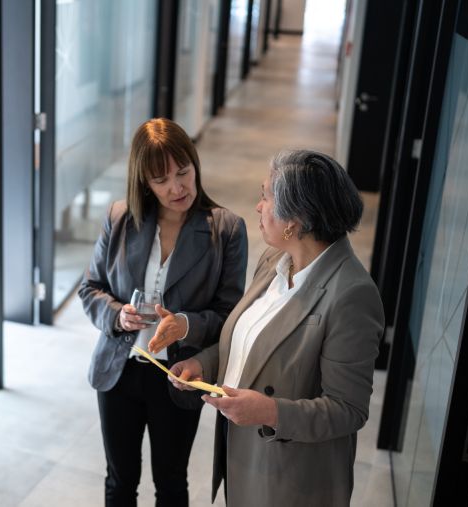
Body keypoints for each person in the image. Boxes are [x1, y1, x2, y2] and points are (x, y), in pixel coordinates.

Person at [159, 149, 385, 506]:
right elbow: (251, 341)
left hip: (291, 476)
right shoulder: (275, 259)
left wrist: (269, 411)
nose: (258, 207)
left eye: (265, 197)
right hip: (245, 453)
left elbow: (348, 410)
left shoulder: (352, 295)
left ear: (294, 220)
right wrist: (204, 363)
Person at [79, 118, 248, 507]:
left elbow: (230, 316)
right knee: (119, 482)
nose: (177, 187)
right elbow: (90, 289)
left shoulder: (226, 231)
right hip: (120, 370)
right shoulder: (121, 219)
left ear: (195, 165)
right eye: (162, 180)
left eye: (184, 172)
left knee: (171, 485)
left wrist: (186, 324)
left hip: (178, 377)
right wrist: (118, 315)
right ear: (144, 184)